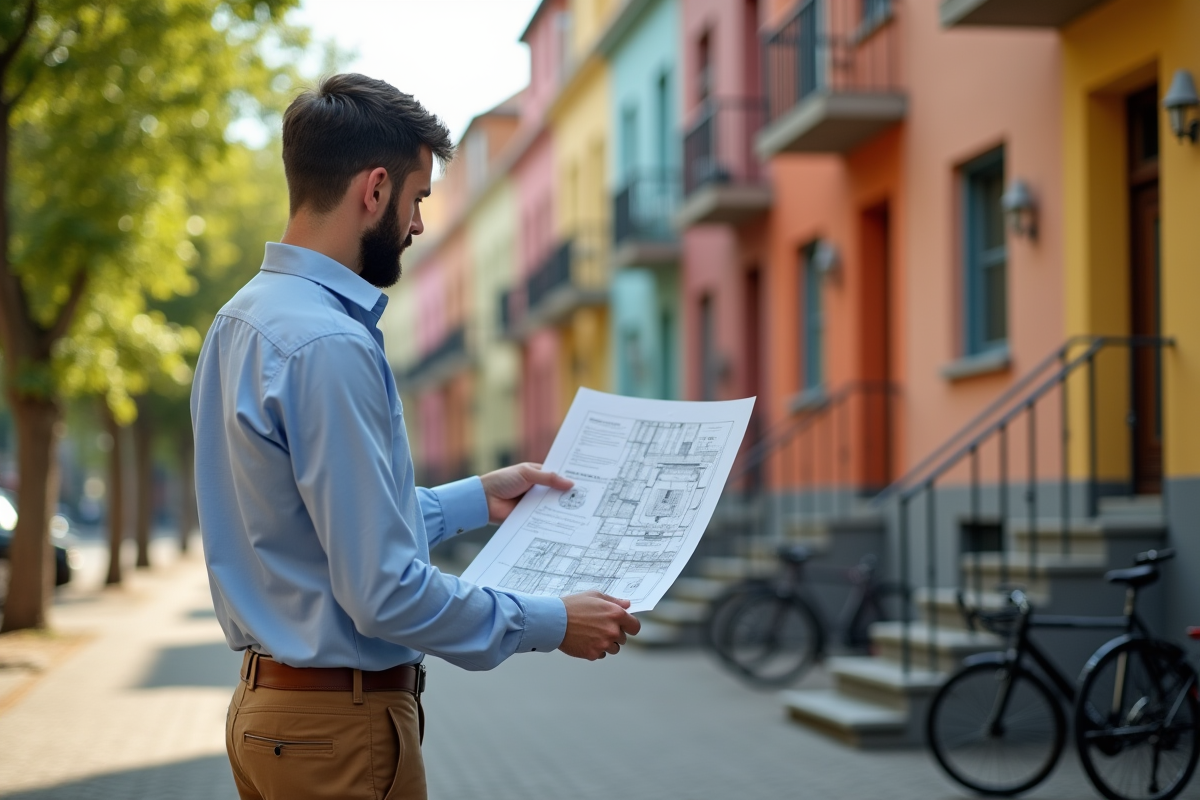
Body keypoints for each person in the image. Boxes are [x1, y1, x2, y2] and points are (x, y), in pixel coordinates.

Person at [190, 73, 640, 800]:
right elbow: (383, 591)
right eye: (418, 198)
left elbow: (318, 531)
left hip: (272, 719)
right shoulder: (328, 344)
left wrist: (474, 499)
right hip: (337, 729)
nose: (419, 224)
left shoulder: (242, 321)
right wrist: (553, 621)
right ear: (374, 190)